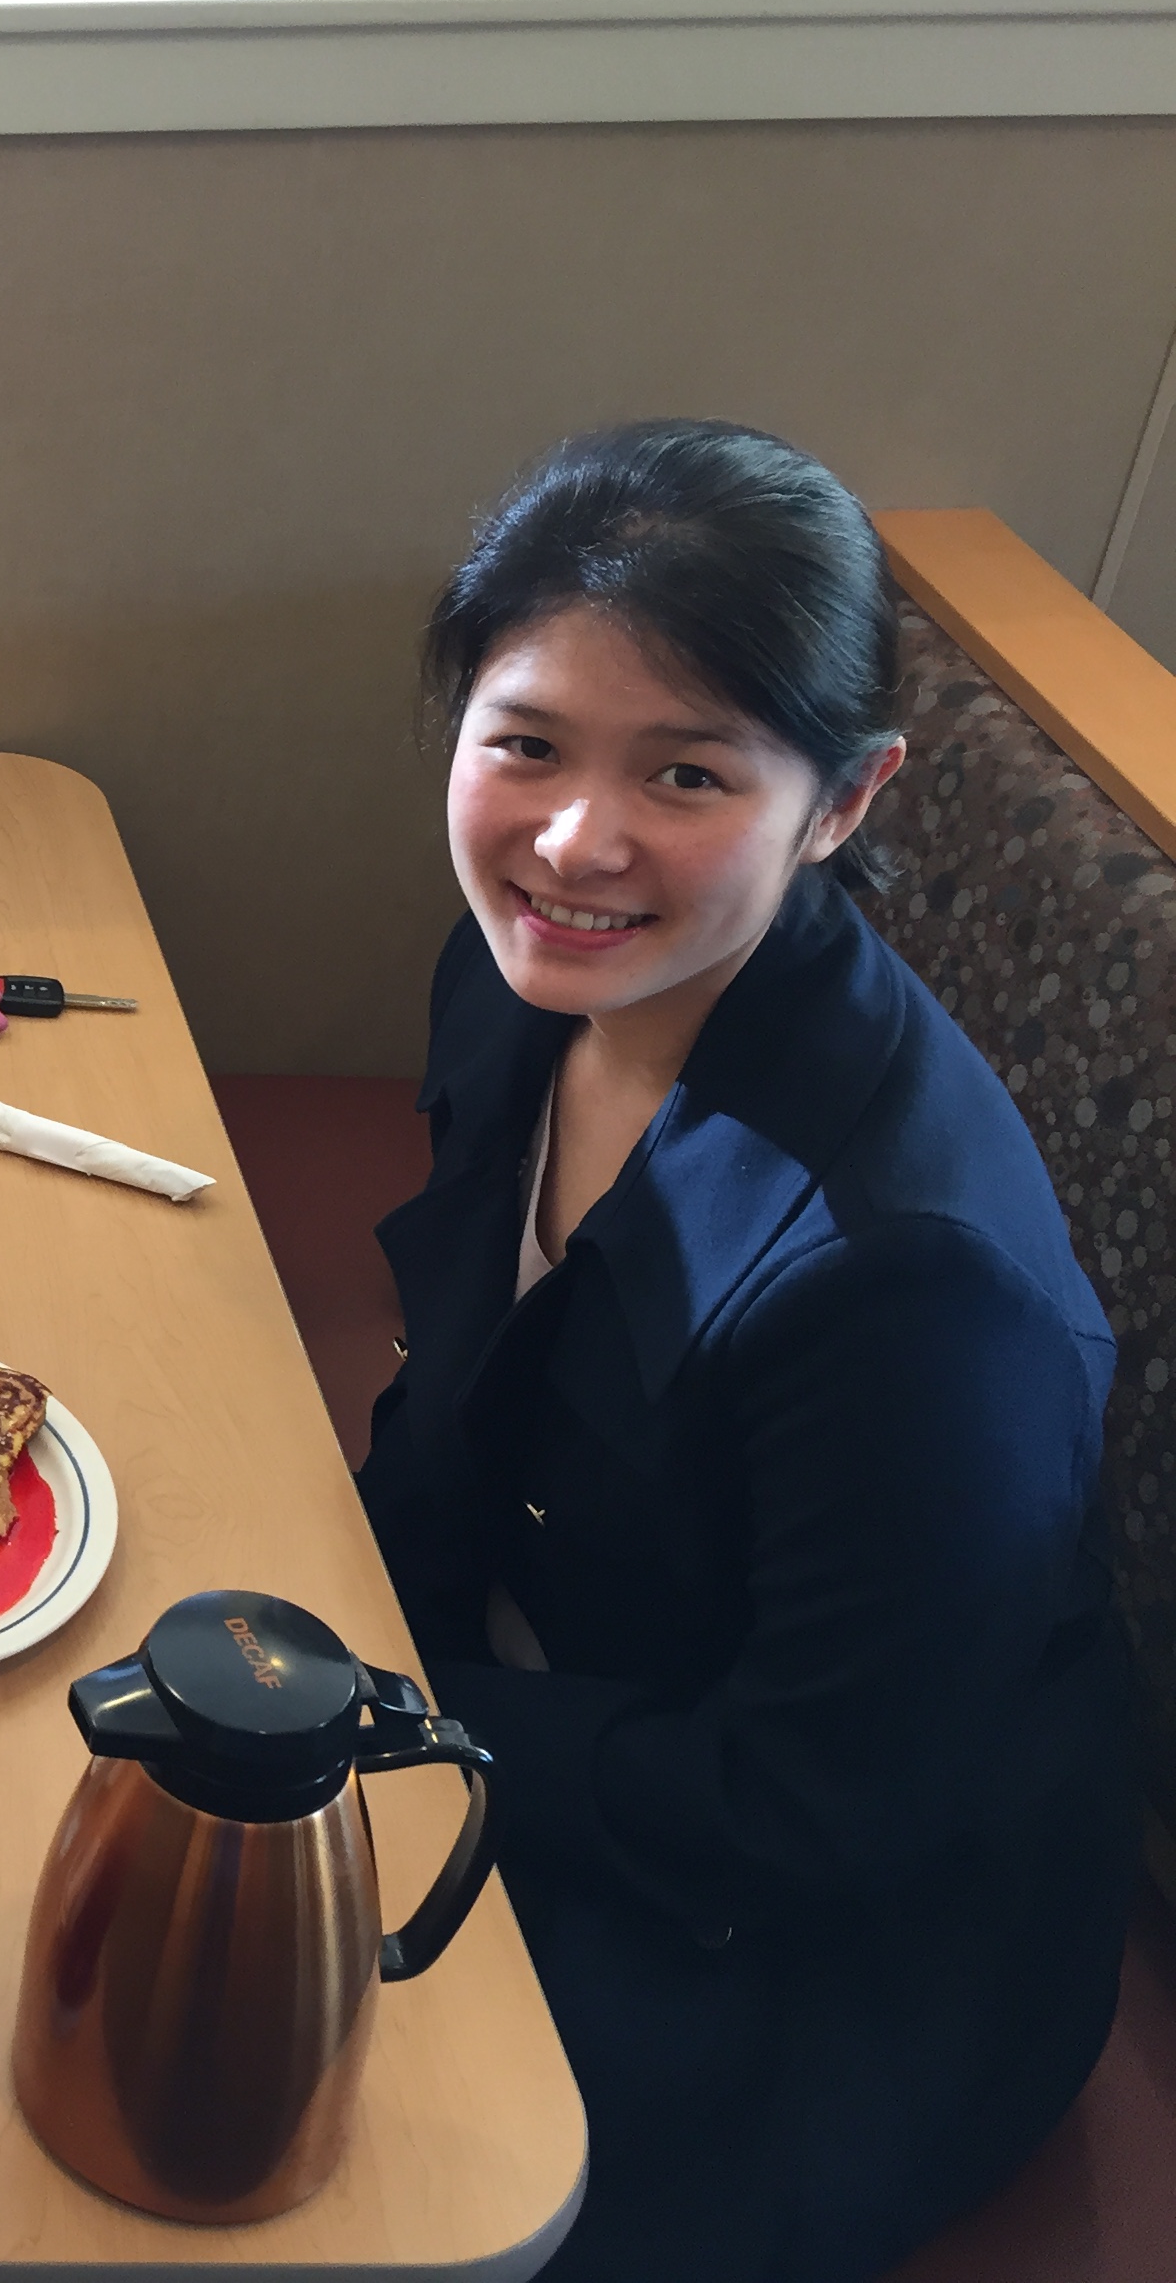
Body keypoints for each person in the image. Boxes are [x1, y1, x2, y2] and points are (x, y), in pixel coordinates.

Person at [361, 420, 1133, 2281]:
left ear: (846, 802)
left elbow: (813, 1820)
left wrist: (397, 1715)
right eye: (525, 742)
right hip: (554, 1690)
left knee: (259, 2129)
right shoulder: (528, 975)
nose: (575, 839)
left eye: (688, 772)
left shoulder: (912, 1289)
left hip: (811, 1954)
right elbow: (468, 1386)